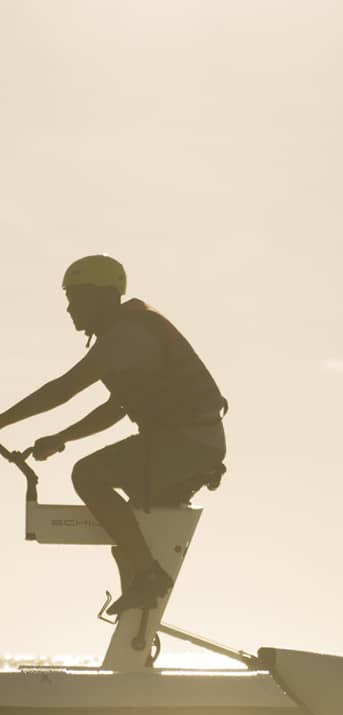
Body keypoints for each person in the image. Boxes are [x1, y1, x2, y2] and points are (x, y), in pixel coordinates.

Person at [0, 254, 227, 613]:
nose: (69, 308)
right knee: (126, 524)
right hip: (189, 446)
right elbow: (115, 408)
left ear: (104, 297)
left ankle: (148, 576)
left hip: (186, 445)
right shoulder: (125, 337)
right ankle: (140, 596)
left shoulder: (128, 335)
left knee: (88, 475)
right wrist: (62, 437)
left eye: (75, 298)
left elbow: (63, 389)